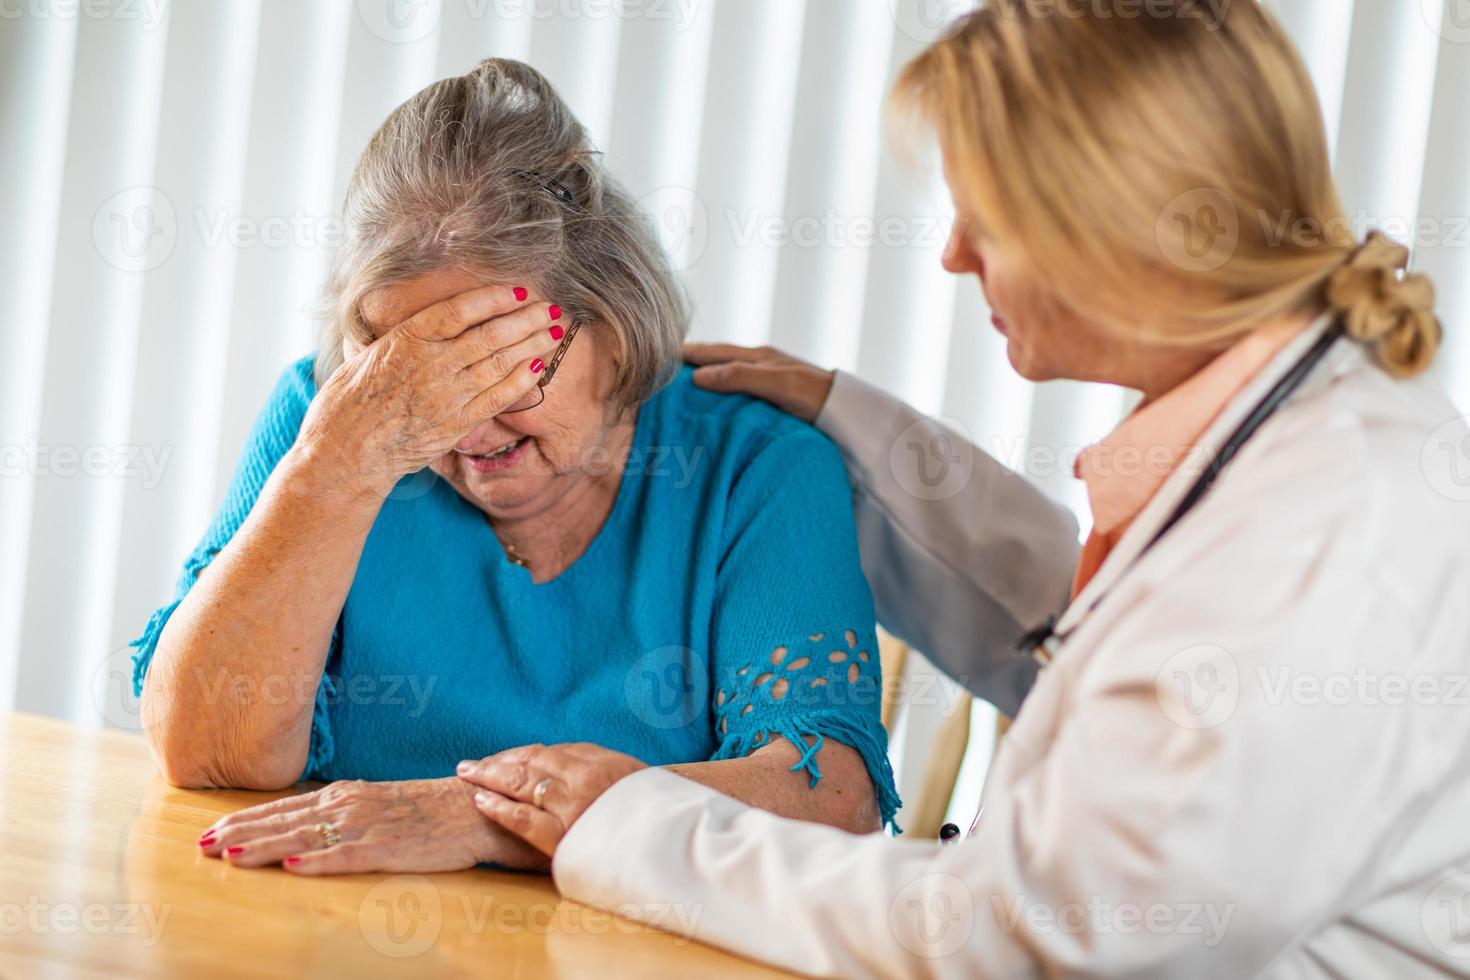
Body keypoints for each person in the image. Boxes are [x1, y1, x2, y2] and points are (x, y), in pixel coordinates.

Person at [453, 4, 1470, 975]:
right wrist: (851, 419)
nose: (952, 253)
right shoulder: (1294, 439)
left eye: (990, 215)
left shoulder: (1327, 528)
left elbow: (1040, 937)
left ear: (1114, 221)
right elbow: (1083, 633)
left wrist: (637, 823)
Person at [133, 58, 899, 874]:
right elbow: (207, 747)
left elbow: (828, 803)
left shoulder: (757, 466)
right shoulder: (335, 425)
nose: (455, 417)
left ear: (615, 310)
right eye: (414, 370)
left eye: (501, 360)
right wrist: (341, 459)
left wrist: (488, 818)